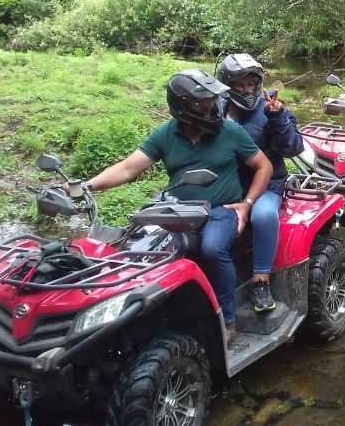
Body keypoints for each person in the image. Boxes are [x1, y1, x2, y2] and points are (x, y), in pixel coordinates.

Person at [86, 69, 273, 339]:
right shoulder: (165, 134)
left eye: (212, 100)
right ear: (183, 106)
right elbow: (128, 168)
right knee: (139, 247)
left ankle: (227, 319)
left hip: (222, 210)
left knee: (211, 248)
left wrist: (247, 203)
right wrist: (87, 186)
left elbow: (263, 166)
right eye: (202, 102)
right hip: (178, 209)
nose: (211, 107)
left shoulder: (230, 131)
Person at [216, 53, 304, 314]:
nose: (246, 90)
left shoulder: (271, 108)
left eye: (250, 84)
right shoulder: (215, 109)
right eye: (239, 85)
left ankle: (261, 281)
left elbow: (293, 148)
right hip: (228, 183)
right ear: (227, 86)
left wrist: (278, 119)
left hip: (269, 183)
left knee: (264, 215)